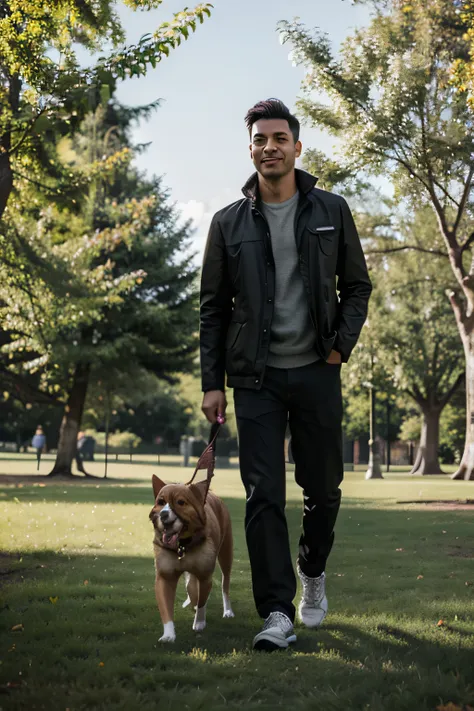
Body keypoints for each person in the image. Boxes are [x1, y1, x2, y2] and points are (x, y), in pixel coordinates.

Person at [200, 99, 372, 651]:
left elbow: (357, 287)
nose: (268, 146)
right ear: (249, 149)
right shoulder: (227, 223)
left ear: (297, 147)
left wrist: (339, 349)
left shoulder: (331, 209)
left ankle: (312, 572)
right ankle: (276, 611)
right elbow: (213, 309)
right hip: (256, 379)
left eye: (279, 137)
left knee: (322, 490)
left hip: (318, 371)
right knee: (262, 496)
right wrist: (211, 382)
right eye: (259, 139)